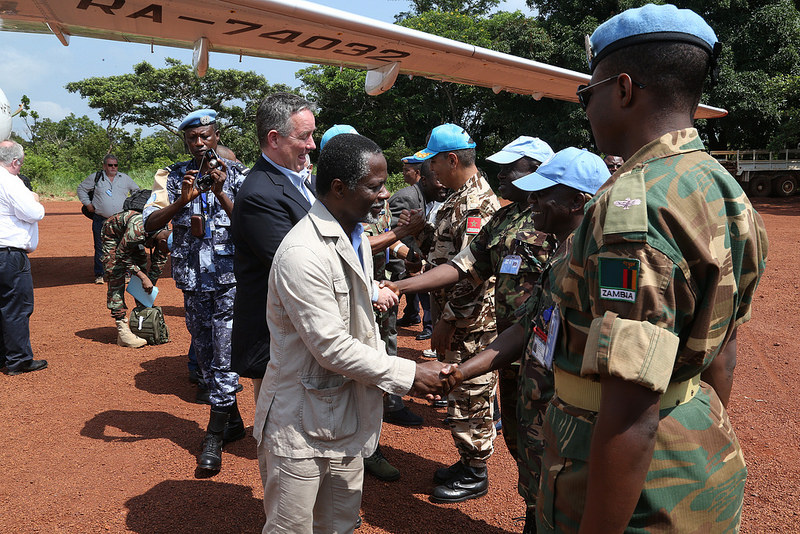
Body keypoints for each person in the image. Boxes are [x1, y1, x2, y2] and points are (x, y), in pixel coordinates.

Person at [537, 5, 769, 532]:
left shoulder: (635, 208)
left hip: (633, 493)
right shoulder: (722, 187)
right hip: (693, 459)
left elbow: (630, 407)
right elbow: (724, 352)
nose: (586, 108)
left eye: (586, 93)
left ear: (622, 89)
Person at [253, 133, 446, 532]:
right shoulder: (302, 253)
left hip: (345, 417)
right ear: (339, 188)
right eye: (375, 186)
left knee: (338, 525)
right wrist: (410, 374)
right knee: (294, 528)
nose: (385, 195)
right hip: (301, 427)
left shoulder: (354, 237)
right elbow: (331, 347)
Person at [436, 147, 609, 534]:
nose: (532, 202)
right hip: (540, 403)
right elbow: (523, 329)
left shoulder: (599, 267)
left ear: (576, 202)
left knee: (569, 500)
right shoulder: (560, 260)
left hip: (573, 419)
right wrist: (458, 373)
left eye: (543, 194)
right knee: (540, 490)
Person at [389, 136, 555, 513]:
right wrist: (399, 284)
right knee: (516, 427)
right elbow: (461, 264)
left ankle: (531, 502)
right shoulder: (505, 217)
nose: (500, 173)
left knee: (539, 433)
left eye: (512, 167)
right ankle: (528, 501)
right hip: (510, 341)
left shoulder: (557, 222)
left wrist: (449, 316)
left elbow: (470, 279)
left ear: (536, 172)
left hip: (537, 348)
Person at [143, 109, 248, 473]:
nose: (200, 143)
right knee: (204, 355)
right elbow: (148, 225)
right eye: (193, 138)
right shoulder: (171, 176)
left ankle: (214, 437)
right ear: (186, 141)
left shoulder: (239, 175)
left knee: (224, 355)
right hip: (192, 281)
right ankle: (232, 422)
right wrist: (181, 202)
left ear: (216, 136)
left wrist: (220, 194)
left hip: (228, 280)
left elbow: (250, 228)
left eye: (206, 136)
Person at [409, 123, 501, 503]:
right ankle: (467, 459)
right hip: (454, 314)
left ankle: (477, 470)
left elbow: (475, 272)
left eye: (434, 163)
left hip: (470, 320)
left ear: (452, 159)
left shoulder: (478, 203)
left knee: (471, 392)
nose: (430, 171)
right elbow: (441, 251)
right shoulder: (456, 197)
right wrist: (416, 232)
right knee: (459, 391)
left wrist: (448, 318)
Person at [230, 92, 317, 406]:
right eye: (304, 136)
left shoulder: (300, 180)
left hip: (300, 331)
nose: (312, 145)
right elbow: (297, 266)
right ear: (274, 138)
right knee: (282, 431)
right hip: (277, 338)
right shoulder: (260, 194)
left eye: (313, 135)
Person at [0, 140, 47, 376]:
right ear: (15, 161)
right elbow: (33, 212)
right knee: (16, 307)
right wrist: (35, 200)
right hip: (9, 254)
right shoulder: (11, 181)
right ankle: (18, 360)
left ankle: (3, 356)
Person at [391, 158, 449, 339]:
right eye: (438, 180)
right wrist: (410, 259)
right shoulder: (407, 197)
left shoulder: (425, 198)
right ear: (424, 180)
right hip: (400, 264)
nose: (444, 185)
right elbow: (390, 233)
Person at [101, 210, 171, 348]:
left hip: (131, 240)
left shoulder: (166, 235)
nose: (166, 252)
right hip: (114, 236)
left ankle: (142, 319)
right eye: (166, 249)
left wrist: (148, 287)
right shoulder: (137, 231)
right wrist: (143, 276)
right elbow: (121, 254)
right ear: (162, 241)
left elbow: (157, 265)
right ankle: (122, 331)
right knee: (116, 274)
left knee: (142, 270)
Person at [77, 154, 140, 284]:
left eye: (115, 165)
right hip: (101, 219)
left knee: (124, 246)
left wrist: (131, 205)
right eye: (110, 165)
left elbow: (136, 191)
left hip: (121, 219)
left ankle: (126, 273)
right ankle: (100, 274)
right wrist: (88, 204)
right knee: (100, 247)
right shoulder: (96, 178)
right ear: (104, 166)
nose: (113, 167)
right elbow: (81, 189)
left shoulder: (124, 178)